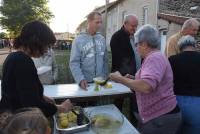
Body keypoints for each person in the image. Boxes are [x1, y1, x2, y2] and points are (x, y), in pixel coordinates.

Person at [110, 25, 181, 134]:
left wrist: (120, 79)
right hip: (157, 117)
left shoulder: (154, 58)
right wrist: (134, 78)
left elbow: (146, 86)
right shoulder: (153, 57)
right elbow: (153, 81)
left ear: (144, 44)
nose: (136, 48)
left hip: (160, 118)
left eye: (137, 44)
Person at [0, 20, 73, 118]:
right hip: (16, 121)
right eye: (47, 45)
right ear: (37, 41)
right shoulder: (22, 61)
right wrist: (61, 108)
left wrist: (42, 97)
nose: (47, 50)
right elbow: (32, 105)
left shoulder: (14, 57)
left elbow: (22, 91)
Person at [169, 35, 200, 134]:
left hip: (175, 102)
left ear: (180, 47)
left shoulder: (172, 59)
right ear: (194, 45)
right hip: (197, 103)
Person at [110, 14, 140, 114]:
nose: (135, 28)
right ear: (125, 24)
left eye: (136, 26)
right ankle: (116, 120)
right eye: (133, 26)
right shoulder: (117, 37)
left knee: (135, 101)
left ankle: (134, 122)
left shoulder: (134, 36)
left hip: (134, 75)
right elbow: (119, 60)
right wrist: (124, 76)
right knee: (119, 102)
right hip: (121, 75)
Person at [70, 11, 108, 90]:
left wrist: (104, 76)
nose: (100, 25)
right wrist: (80, 79)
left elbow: (105, 60)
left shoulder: (102, 39)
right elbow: (74, 62)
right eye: (97, 22)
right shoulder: (78, 40)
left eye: (101, 22)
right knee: (83, 102)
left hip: (99, 82)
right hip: (84, 82)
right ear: (89, 22)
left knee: (98, 102)